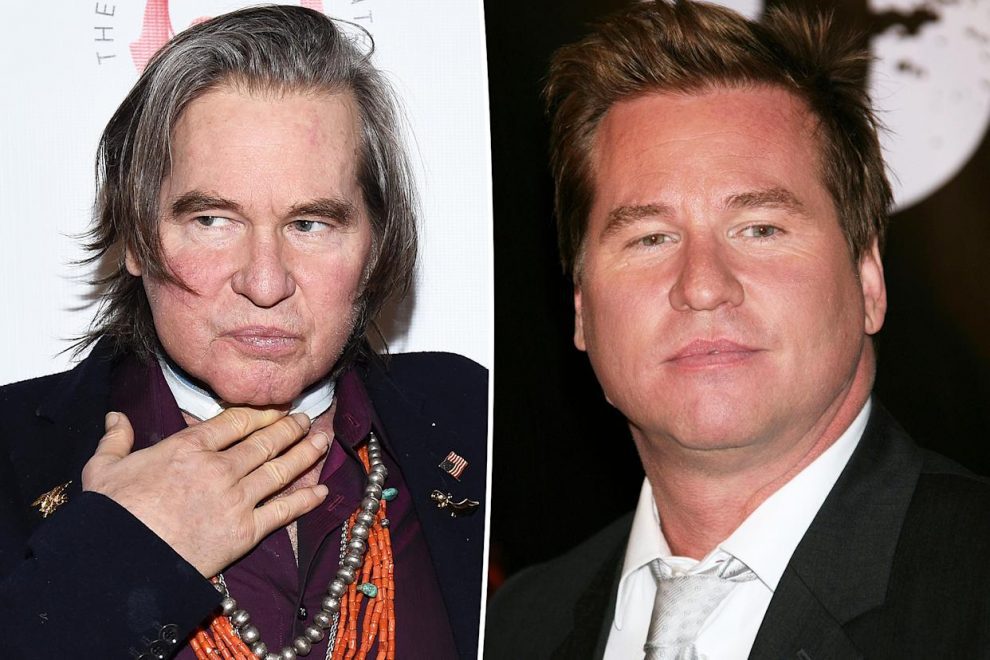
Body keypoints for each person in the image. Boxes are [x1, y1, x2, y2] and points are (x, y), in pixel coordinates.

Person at [485, 1, 990, 658]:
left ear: (868, 280)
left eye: (759, 229)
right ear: (581, 307)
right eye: (650, 238)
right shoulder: (509, 629)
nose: (702, 286)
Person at [0, 6, 487, 659]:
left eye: (310, 224)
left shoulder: (472, 420)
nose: (264, 283)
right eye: (212, 220)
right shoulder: (10, 450)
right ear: (135, 238)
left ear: (375, 246)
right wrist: (118, 556)